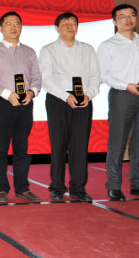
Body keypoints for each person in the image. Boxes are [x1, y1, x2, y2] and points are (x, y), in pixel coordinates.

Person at [97, 4, 139, 200]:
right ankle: (114, 186)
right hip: (122, 95)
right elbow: (102, 75)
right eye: (122, 16)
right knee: (117, 142)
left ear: (136, 18)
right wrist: (126, 85)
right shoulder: (108, 45)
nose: (128, 19)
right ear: (114, 21)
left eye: (132, 15)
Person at [39, 12, 100, 202]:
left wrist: (89, 94)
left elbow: (95, 77)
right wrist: (66, 96)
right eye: (65, 24)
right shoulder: (48, 50)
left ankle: (78, 188)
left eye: (73, 23)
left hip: (83, 99)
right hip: (58, 99)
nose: (70, 27)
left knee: (80, 146)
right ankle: (57, 187)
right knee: (58, 145)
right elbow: (46, 79)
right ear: (57, 28)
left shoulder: (88, 49)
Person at [0, 11, 42, 204]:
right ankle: (1, 188)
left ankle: (22, 188)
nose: (13, 27)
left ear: (21, 27)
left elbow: (37, 77)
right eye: (8, 24)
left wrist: (32, 92)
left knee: (22, 148)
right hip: (2, 103)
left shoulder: (30, 52)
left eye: (17, 23)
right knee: (0, 148)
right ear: (1, 28)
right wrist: (7, 94)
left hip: (25, 103)